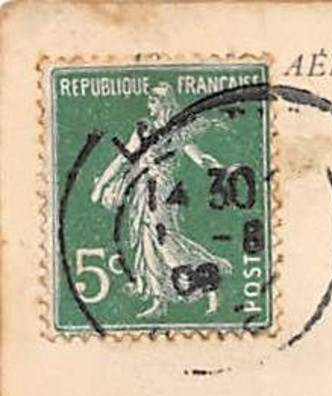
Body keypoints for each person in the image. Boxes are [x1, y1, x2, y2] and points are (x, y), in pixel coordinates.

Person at [89, 83, 233, 319]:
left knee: (166, 244)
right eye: (149, 100)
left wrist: (217, 168)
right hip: (143, 192)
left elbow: (197, 155)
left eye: (154, 100)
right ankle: (159, 298)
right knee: (147, 243)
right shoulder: (144, 129)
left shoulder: (177, 131)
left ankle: (210, 280)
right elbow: (122, 159)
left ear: (164, 103)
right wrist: (101, 185)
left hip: (163, 194)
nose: (150, 104)